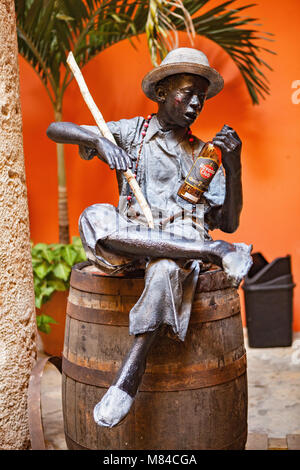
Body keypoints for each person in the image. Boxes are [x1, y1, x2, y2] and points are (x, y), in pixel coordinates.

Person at [47, 48, 252, 428]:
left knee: (163, 270)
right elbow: (54, 129)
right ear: (161, 92)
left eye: (201, 98)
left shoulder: (202, 154)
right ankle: (211, 251)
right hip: (130, 239)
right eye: (186, 93)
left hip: (176, 240)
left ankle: (129, 374)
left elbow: (229, 222)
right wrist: (103, 142)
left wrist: (234, 165)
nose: (195, 104)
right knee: (94, 217)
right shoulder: (131, 133)